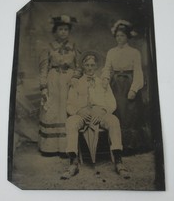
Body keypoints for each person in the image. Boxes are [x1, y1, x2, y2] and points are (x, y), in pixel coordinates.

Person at [61, 52, 129, 179]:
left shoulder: (103, 82)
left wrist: (103, 111)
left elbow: (112, 103)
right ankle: (73, 163)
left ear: (97, 66)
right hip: (82, 114)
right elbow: (69, 104)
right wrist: (78, 111)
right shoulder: (76, 83)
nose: (90, 68)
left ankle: (119, 161)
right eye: (87, 65)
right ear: (83, 66)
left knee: (114, 121)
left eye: (92, 65)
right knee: (70, 122)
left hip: (100, 113)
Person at [38, 15, 82, 155]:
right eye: (60, 29)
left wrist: (75, 78)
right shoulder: (49, 48)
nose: (63, 32)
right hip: (53, 82)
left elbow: (79, 67)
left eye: (65, 29)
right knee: (52, 111)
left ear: (69, 32)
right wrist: (44, 86)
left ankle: (66, 148)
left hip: (69, 82)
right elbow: (44, 68)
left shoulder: (74, 47)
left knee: (66, 111)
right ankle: (49, 148)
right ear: (55, 31)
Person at [101, 20, 144, 154]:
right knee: (116, 111)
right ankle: (116, 145)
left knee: (129, 114)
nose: (120, 38)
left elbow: (138, 71)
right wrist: (105, 79)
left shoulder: (134, 52)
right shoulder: (111, 52)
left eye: (123, 36)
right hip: (115, 85)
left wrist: (134, 89)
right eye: (118, 36)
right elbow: (107, 68)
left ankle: (130, 146)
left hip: (128, 83)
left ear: (128, 37)